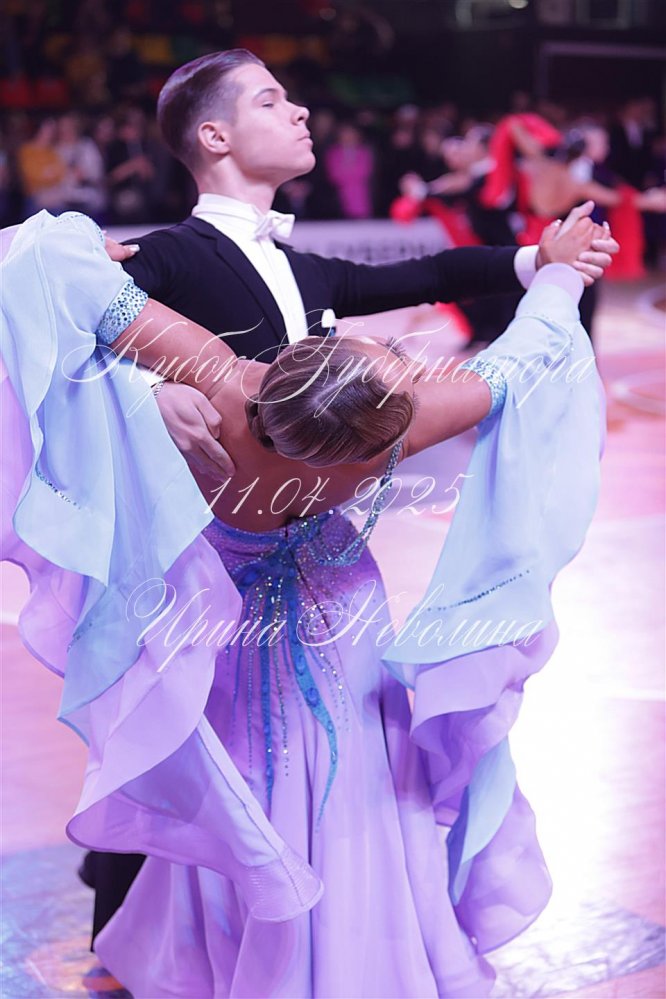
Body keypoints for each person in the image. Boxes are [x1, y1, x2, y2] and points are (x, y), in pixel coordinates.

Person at [2, 203, 606, 997]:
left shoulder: (221, 385)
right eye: (397, 360)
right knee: (361, 797)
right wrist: (559, 272)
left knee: (250, 783)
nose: (402, 354)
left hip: (229, 642)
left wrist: (108, 299)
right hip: (346, 644)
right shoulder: (398, 434)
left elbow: (42, 266)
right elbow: (529, 354)